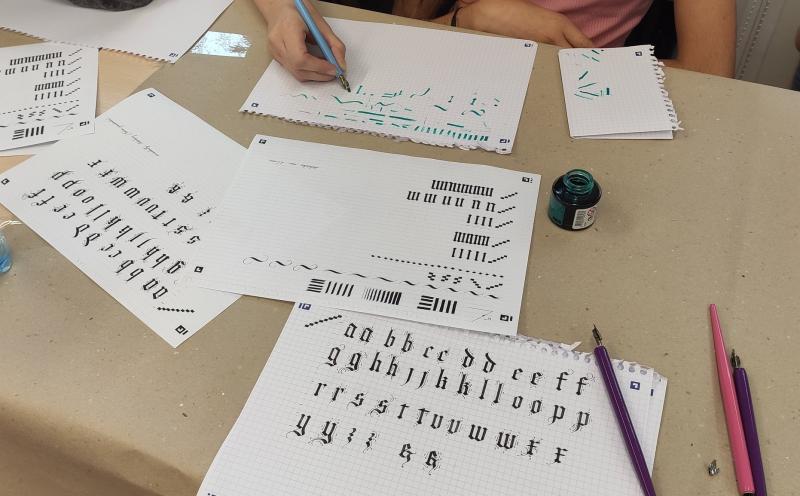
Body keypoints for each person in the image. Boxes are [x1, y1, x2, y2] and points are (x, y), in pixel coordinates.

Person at [256, 0, 735, 83]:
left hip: (581, 93)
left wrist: (581, 61)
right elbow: (409, 27)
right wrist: (472, 19)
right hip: (449, 62)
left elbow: (711, 75)